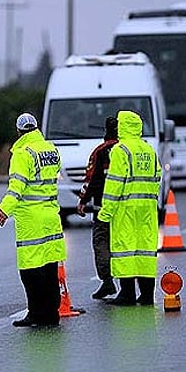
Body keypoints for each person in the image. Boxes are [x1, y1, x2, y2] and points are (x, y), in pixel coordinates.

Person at [0, 113, 67, 327]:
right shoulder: (51, 149)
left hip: (31, 220)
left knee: (30, 271)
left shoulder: (22, 154)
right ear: (36, 127)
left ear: (18, 131)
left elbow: (17, 188)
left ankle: (36, 314)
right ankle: (52, 314)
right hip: (51, 215)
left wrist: (4, 210)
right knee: (50, 267)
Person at [97, 111, 161, 306]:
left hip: (125, 208)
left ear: (123, 127)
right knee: (145, 250)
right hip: (148, 208)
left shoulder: (120, 150)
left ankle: (127, 294)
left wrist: (105, 212)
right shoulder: (148, 149)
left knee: (125, 249)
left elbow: (114, 184)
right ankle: (147, 294)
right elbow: (157, 176)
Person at [76, 116, 119, 300]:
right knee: (125, 245)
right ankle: (129, 285)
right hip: (128, 208)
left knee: (101, 242)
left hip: (103, 207)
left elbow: (91, 179)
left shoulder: (100, 152)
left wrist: (82, 201)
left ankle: (107, 281)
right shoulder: (130, 150)